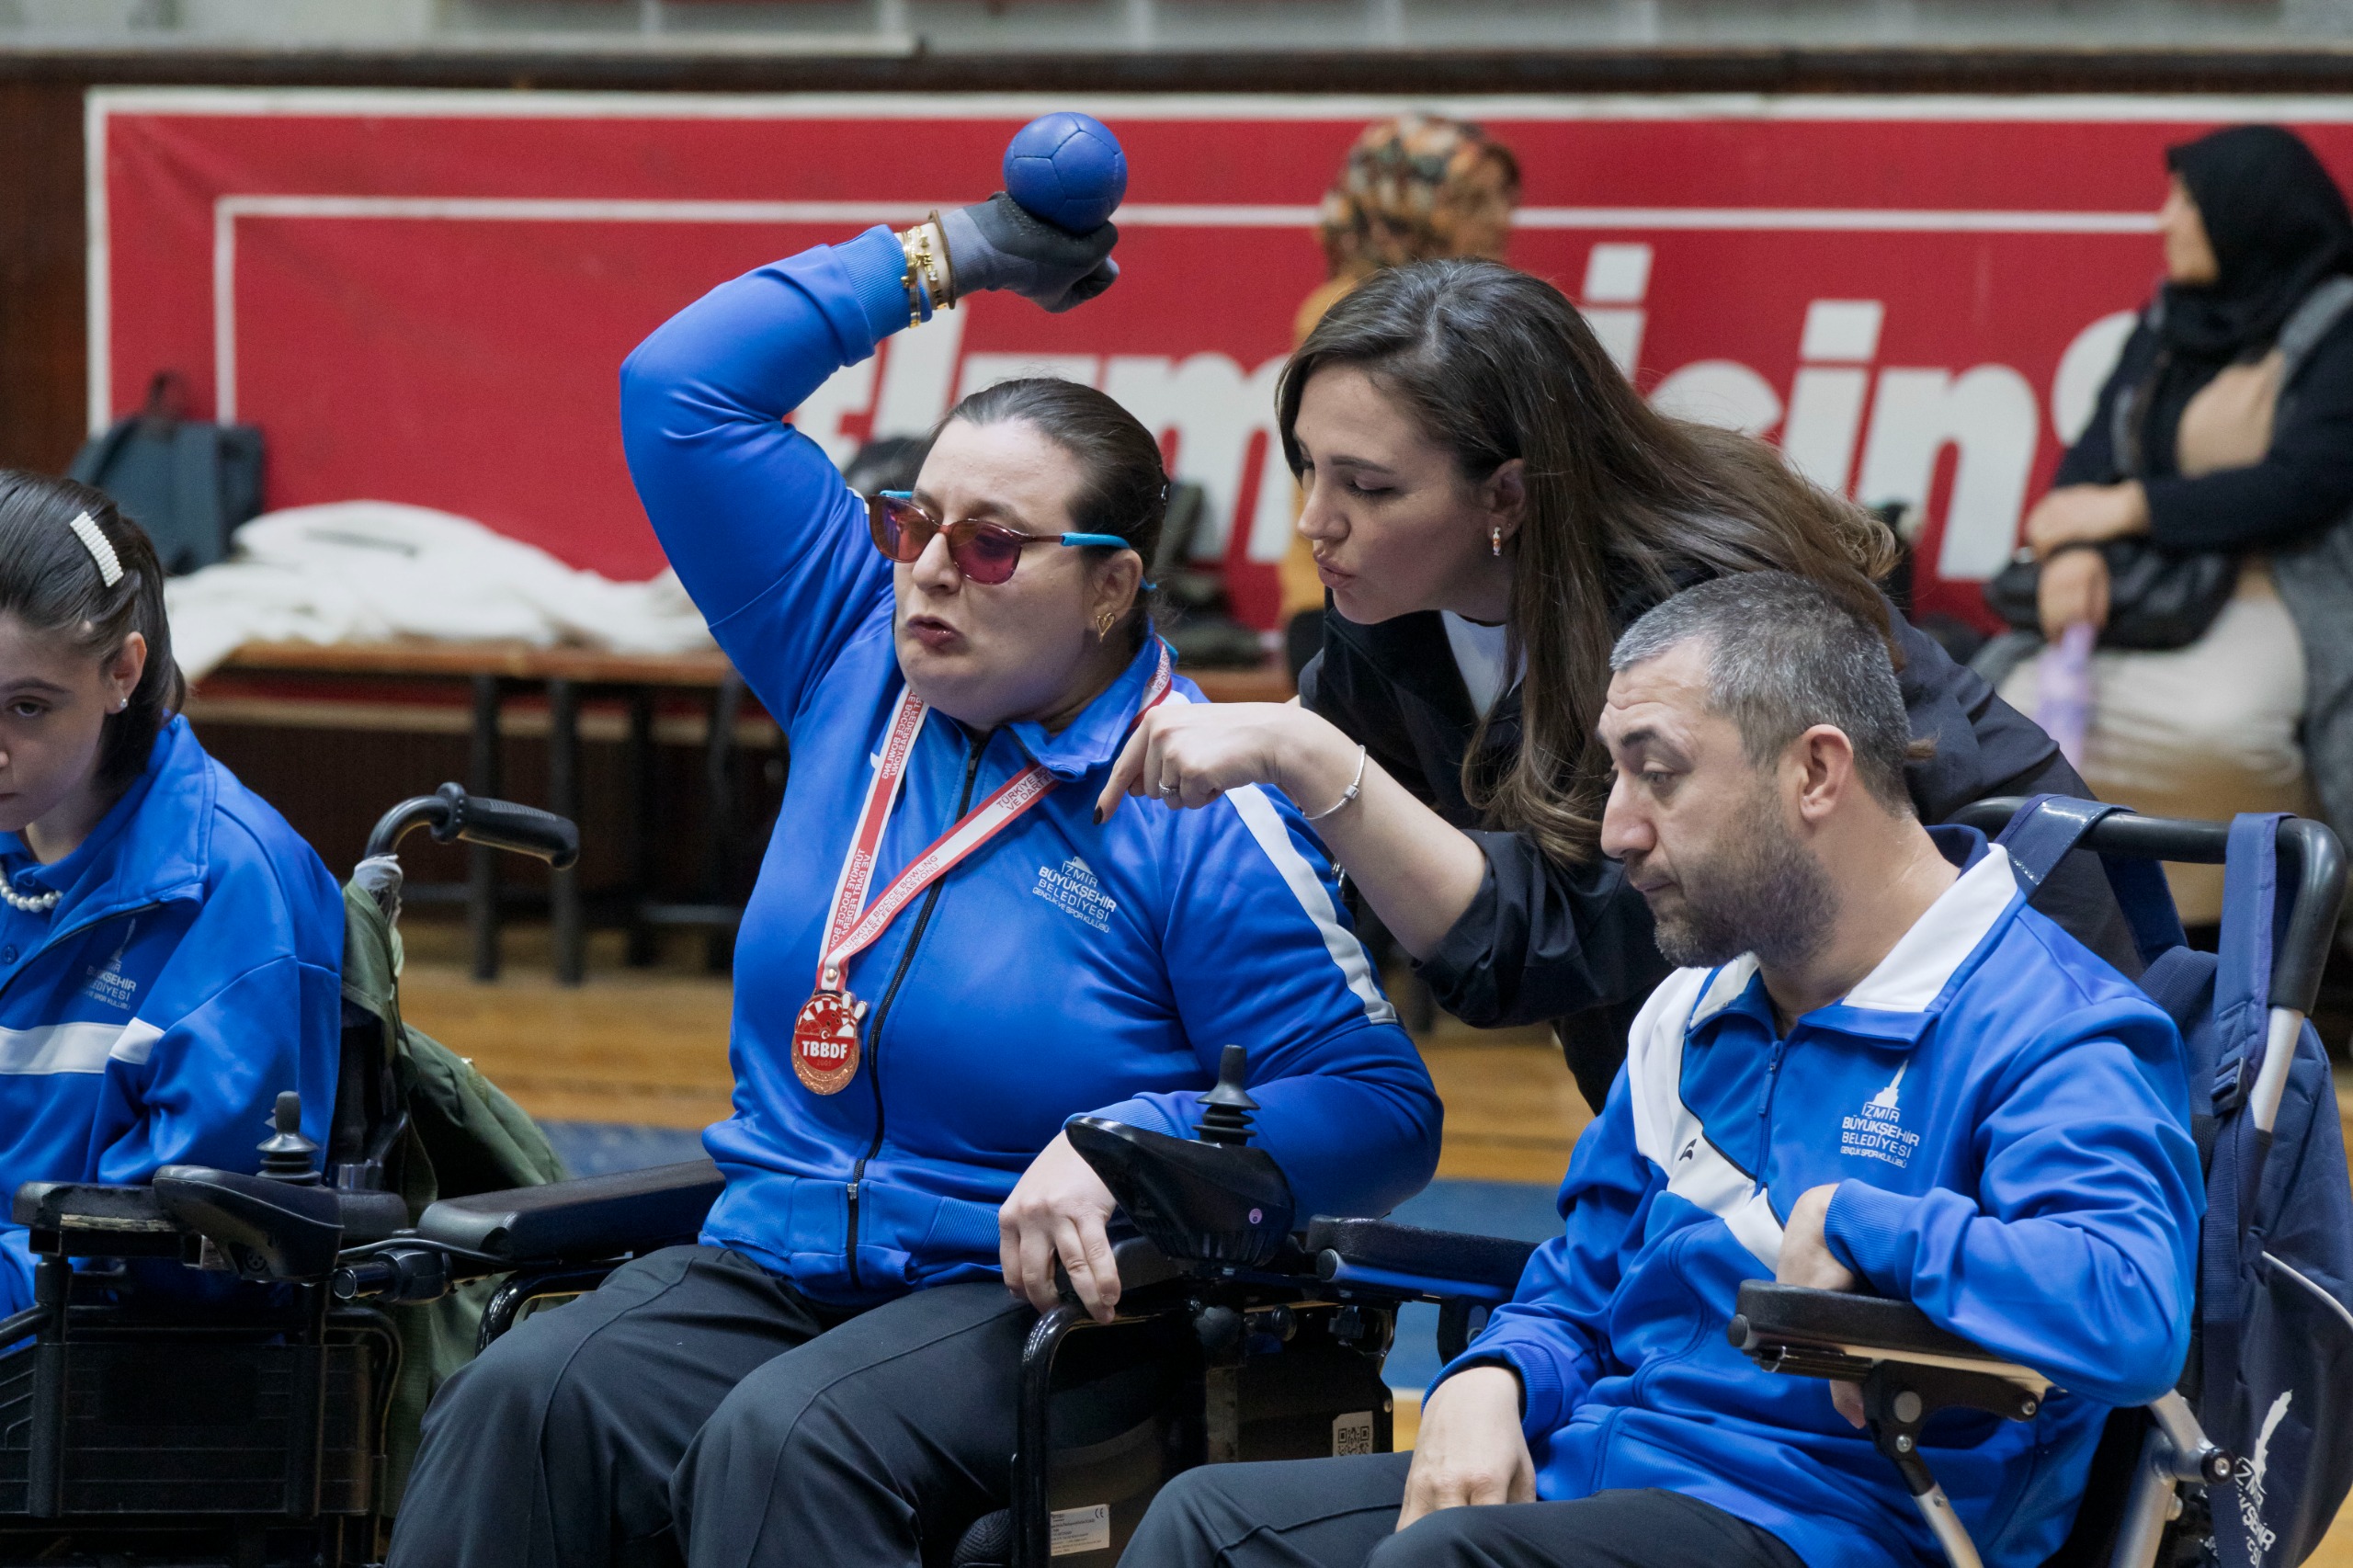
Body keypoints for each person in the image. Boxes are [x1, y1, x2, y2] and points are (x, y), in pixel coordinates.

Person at [388, 195, 1442, 1568]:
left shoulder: (1197, 803)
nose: (930, 572)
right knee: (522, 1397)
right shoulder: (851, 646)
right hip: (774, 1254)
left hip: (1036, 1296)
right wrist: (960, 253)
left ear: (1111, 588)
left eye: (991, 545)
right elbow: (680, 387)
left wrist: (1136, 1137)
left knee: (788, 1439)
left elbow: (1383, 1107)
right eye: (912, 522)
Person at [1120, 572, 2201, 1568]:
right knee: (1206, 1524)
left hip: (1838, 1522)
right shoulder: (1692, 1005)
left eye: (1659, 773)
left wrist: (1868, 1226)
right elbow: (1579, 1282)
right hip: (1609, 1475)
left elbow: (2133, 1311)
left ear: (1815, 771)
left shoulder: (2051, 1023)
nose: (1616, 829)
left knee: (1444, 1561)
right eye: (1616, 772)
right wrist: (1494, 1374)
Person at [1106, 258, 2129, 1112]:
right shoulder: (1388, 592)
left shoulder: (1703, 614)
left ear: (1506, 494)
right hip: (1759, 1035)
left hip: (2012, 1008)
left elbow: (1550, 942)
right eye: (1306, 466)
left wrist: (1307, 754)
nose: (1314, 520)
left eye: (1367, 486)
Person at [1983, 123, 2353, 921]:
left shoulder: (2339, 323)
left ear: (2248, 215)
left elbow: (2307, 481)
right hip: (2147, 589)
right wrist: (2075, 549)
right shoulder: (2168, 321)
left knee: (2222, 733)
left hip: (2280, 588)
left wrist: (2132, 508)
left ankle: (2267, 924)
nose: (2165, 221)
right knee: (2010, 711)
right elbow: (2092, 453)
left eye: (2187, 202)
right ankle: (2090, 924)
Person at [0, 472, 342, 1312]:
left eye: (28, 708)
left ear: (123, 671)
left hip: (99, 1358)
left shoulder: (235, 886)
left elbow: (187, 1260)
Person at [1278, 115, 1521, 678]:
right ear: (1406, 207)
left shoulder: (1490, 313)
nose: (1499, 218)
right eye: (1472, 202)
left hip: (1441, 598)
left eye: (1500, 199)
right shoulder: (1345, 315)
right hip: (1349, 604)